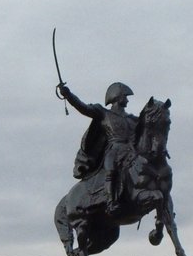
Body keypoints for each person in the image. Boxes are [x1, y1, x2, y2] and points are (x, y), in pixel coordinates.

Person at [58, 80, 139, 211]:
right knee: (111, 169)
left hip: (131, 151)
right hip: (113, 150)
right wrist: (68, 95)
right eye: (125, 96)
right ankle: (111, 201)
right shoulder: (103, 113)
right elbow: (83, 107)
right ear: (117, 96)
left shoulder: (133, 119)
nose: (127, 100)